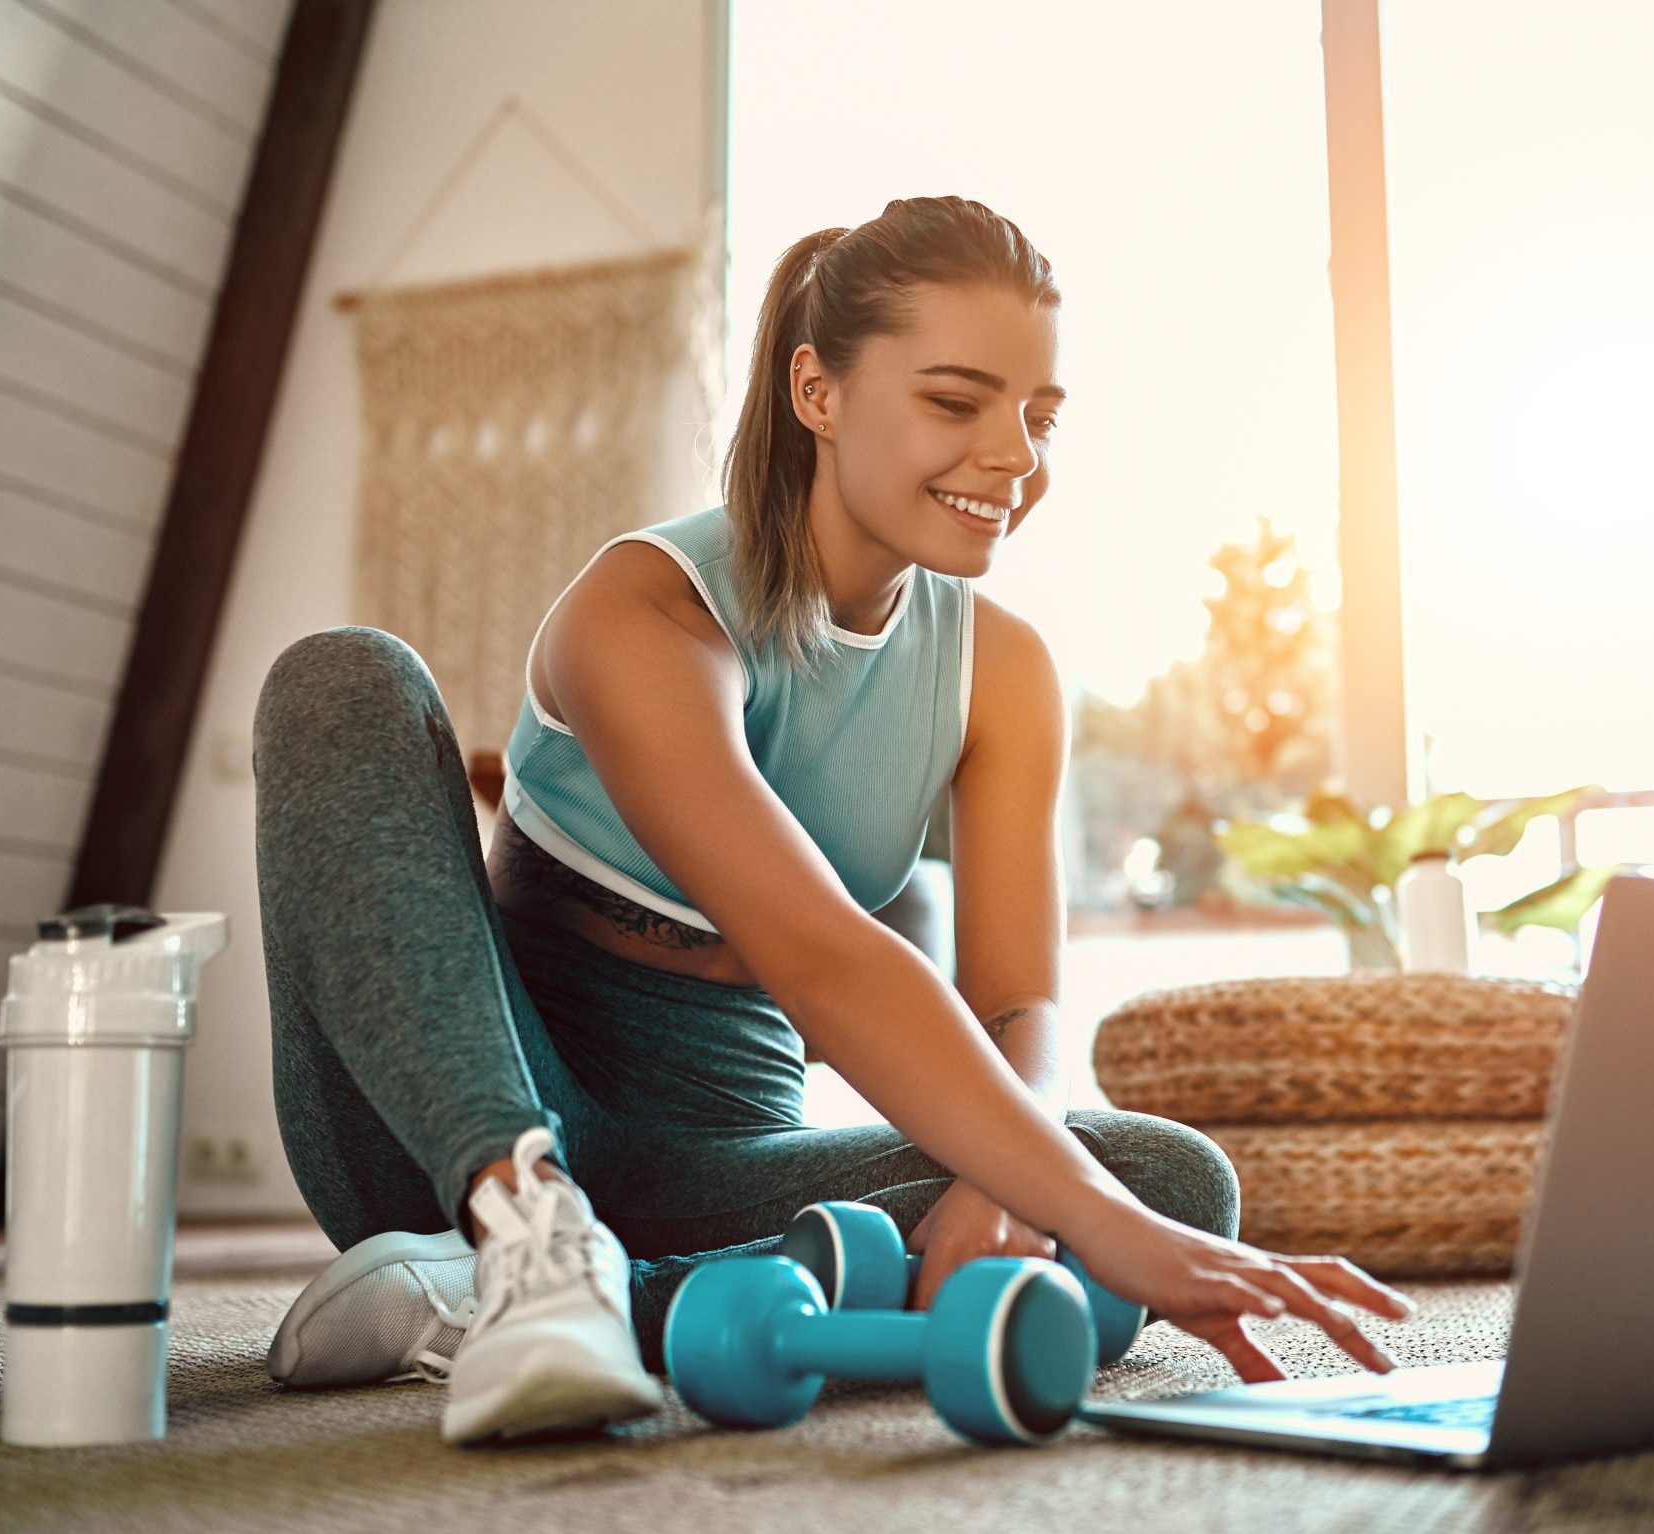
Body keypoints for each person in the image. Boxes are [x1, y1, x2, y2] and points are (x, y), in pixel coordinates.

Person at [255, 196, 1410, 1446]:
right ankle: (520, 1237)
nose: (1014, 454)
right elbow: (816, 950)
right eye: (958, 402)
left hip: (716, 1155)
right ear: (818, 390)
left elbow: (1015, 1004)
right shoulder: (645, 605)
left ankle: (530, 1298)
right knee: (344, 674)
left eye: (1039, 414)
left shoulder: (1003, 672)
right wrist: (1094, 1221)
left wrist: (1004, 1180)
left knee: (1166, 1180)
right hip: (455, 1116)